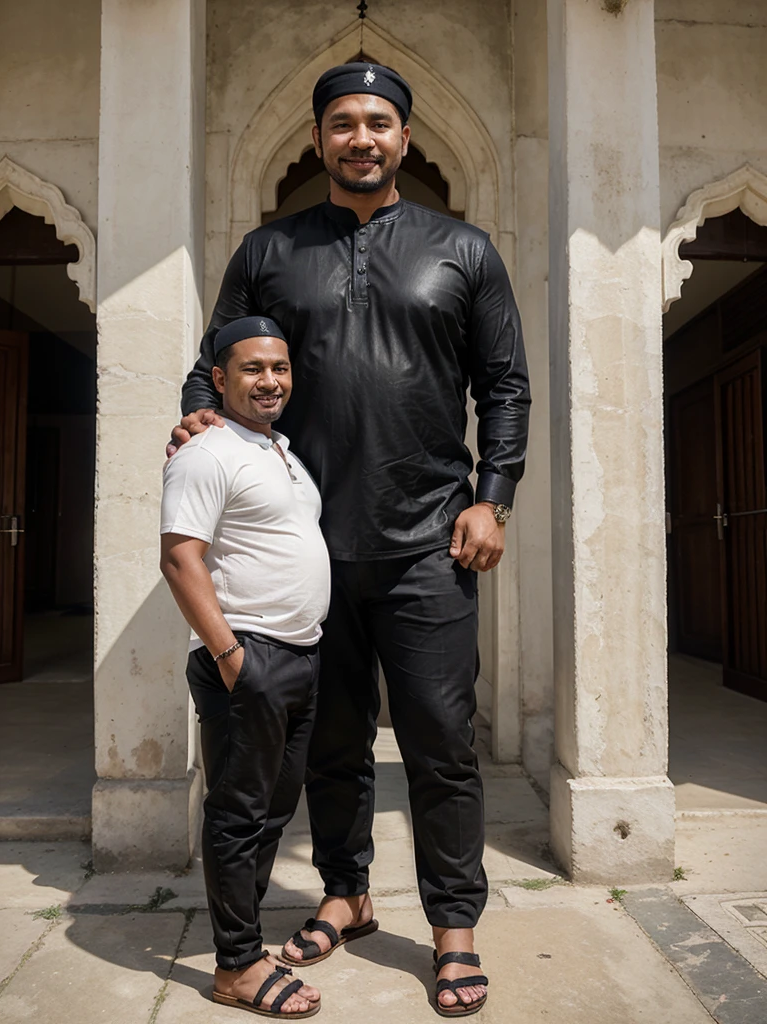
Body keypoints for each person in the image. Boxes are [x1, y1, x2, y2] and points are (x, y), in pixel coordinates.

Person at [170, 62, 530, 1017]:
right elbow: (213, 364)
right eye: (342, 123)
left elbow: (504, 386)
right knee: (331, 744)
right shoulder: (269, 249)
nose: (360, 137)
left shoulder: (464, 250)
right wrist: (198, 417)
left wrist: (492, 495)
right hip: (308, 554)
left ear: (406, 138)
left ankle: (453, 930)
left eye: (378, 122)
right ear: (319, 137)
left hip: (427, 546)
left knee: (441, 745)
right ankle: (346, 892)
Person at [160, 316, 330, 1019]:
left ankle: (246, 944)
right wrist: (232, 657)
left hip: (298, 655)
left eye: (280, 369)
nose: (270, 381)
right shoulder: (207, 451)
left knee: (273, 810)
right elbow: (179, 557)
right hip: (249, 657)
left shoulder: (282, 448)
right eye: (254, 369)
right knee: (238, 814)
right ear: (220, 379)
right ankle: (235, 967)